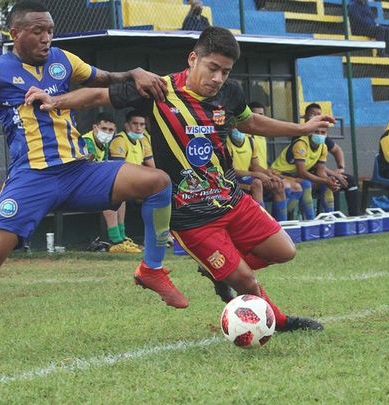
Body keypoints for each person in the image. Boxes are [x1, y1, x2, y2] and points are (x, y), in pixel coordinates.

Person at [0, 1, 184, 369]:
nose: (46, 38)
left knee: (157, 182)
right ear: (15, 34)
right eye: (38, 31)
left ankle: (152, 269)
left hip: (79, 172)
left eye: (50, 31)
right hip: (31, 180)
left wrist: (133, 72)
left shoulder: (63, 60)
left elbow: (104, 78)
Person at [27, 26, 331, 334]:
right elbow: (97, 95)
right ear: (193, 59)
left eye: (225, 72)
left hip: (232, 200)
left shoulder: (230, 93)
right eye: (212, 68)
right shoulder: (158, 90)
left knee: (285, 251)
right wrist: (56, 102)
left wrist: (302, 129)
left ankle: (218, 270)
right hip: (191, 217)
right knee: (247, 282)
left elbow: (250, 122)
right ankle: (278, 321)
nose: (217, 78)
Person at [80, 112, 141, 253]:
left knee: (121, 192)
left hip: (90, 183)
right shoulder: (87, 141)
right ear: (95, 128)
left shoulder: (105, 145)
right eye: (104, 129)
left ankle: (122, 236)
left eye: (110, 130)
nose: (107, 133)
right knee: (108, 193)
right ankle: (116, 240)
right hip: (77, 184)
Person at [105, 110, 154, 253]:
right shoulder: (120, 140)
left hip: (134, 183)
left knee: (163, 191)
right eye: (135, 124)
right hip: (118, 181)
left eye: (142, 124)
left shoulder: (143, 140)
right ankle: (116, 240)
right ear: (126, 125)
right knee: (117, 193)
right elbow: (119, 169)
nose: (139, 128)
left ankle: (158, 237)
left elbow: (153, 167)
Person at [246, 102, 303, 220]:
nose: (260, 118)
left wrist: (270, 173)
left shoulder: (262, 135)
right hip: (254, 177)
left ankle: (285, 219)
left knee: (298, 187)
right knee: (284, 186)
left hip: (265, 173)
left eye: (262, 114)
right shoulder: (247, 137)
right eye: (257, 115)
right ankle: (272, 222)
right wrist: (267, 175)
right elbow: (253, 166)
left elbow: (259, 164)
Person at [271, 126, 343, 218]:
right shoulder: (301, 144)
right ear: (310, 132)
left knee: (326, 186)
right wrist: (325, 180)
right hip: (279, 173)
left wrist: (330, 181)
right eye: (316, 132)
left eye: (323, 132)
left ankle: (330, 219)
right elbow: (302, 172)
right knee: (306, 184)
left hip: (294, 176)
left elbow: (320, 172)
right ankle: (306, 220)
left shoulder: (323, 147)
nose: (319, 135)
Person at [304, 103, 360, 215]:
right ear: (306, 117)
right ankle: (335, 216)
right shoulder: (301, 136)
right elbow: (313, 165)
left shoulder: (321, 136)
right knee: (332, 182)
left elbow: (337, 150)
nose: (316, 117)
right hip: (305, 174)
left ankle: (355, 217)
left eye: (319, 115)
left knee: (349, 180)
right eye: (313, 115)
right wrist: (334, 175)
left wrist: (340, 168)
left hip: (320, 172)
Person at [226, 128, 288, 221]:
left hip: (248, 177)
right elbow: (229, 171)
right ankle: (263, 223)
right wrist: (257, 175)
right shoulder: (225, 143)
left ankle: (281, 224)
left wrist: (270, 175)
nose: (238, 129)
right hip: (231, 179)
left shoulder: (251, 142)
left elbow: (255, 166)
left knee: (277, 185)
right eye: (234, 126)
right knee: (257, 184)